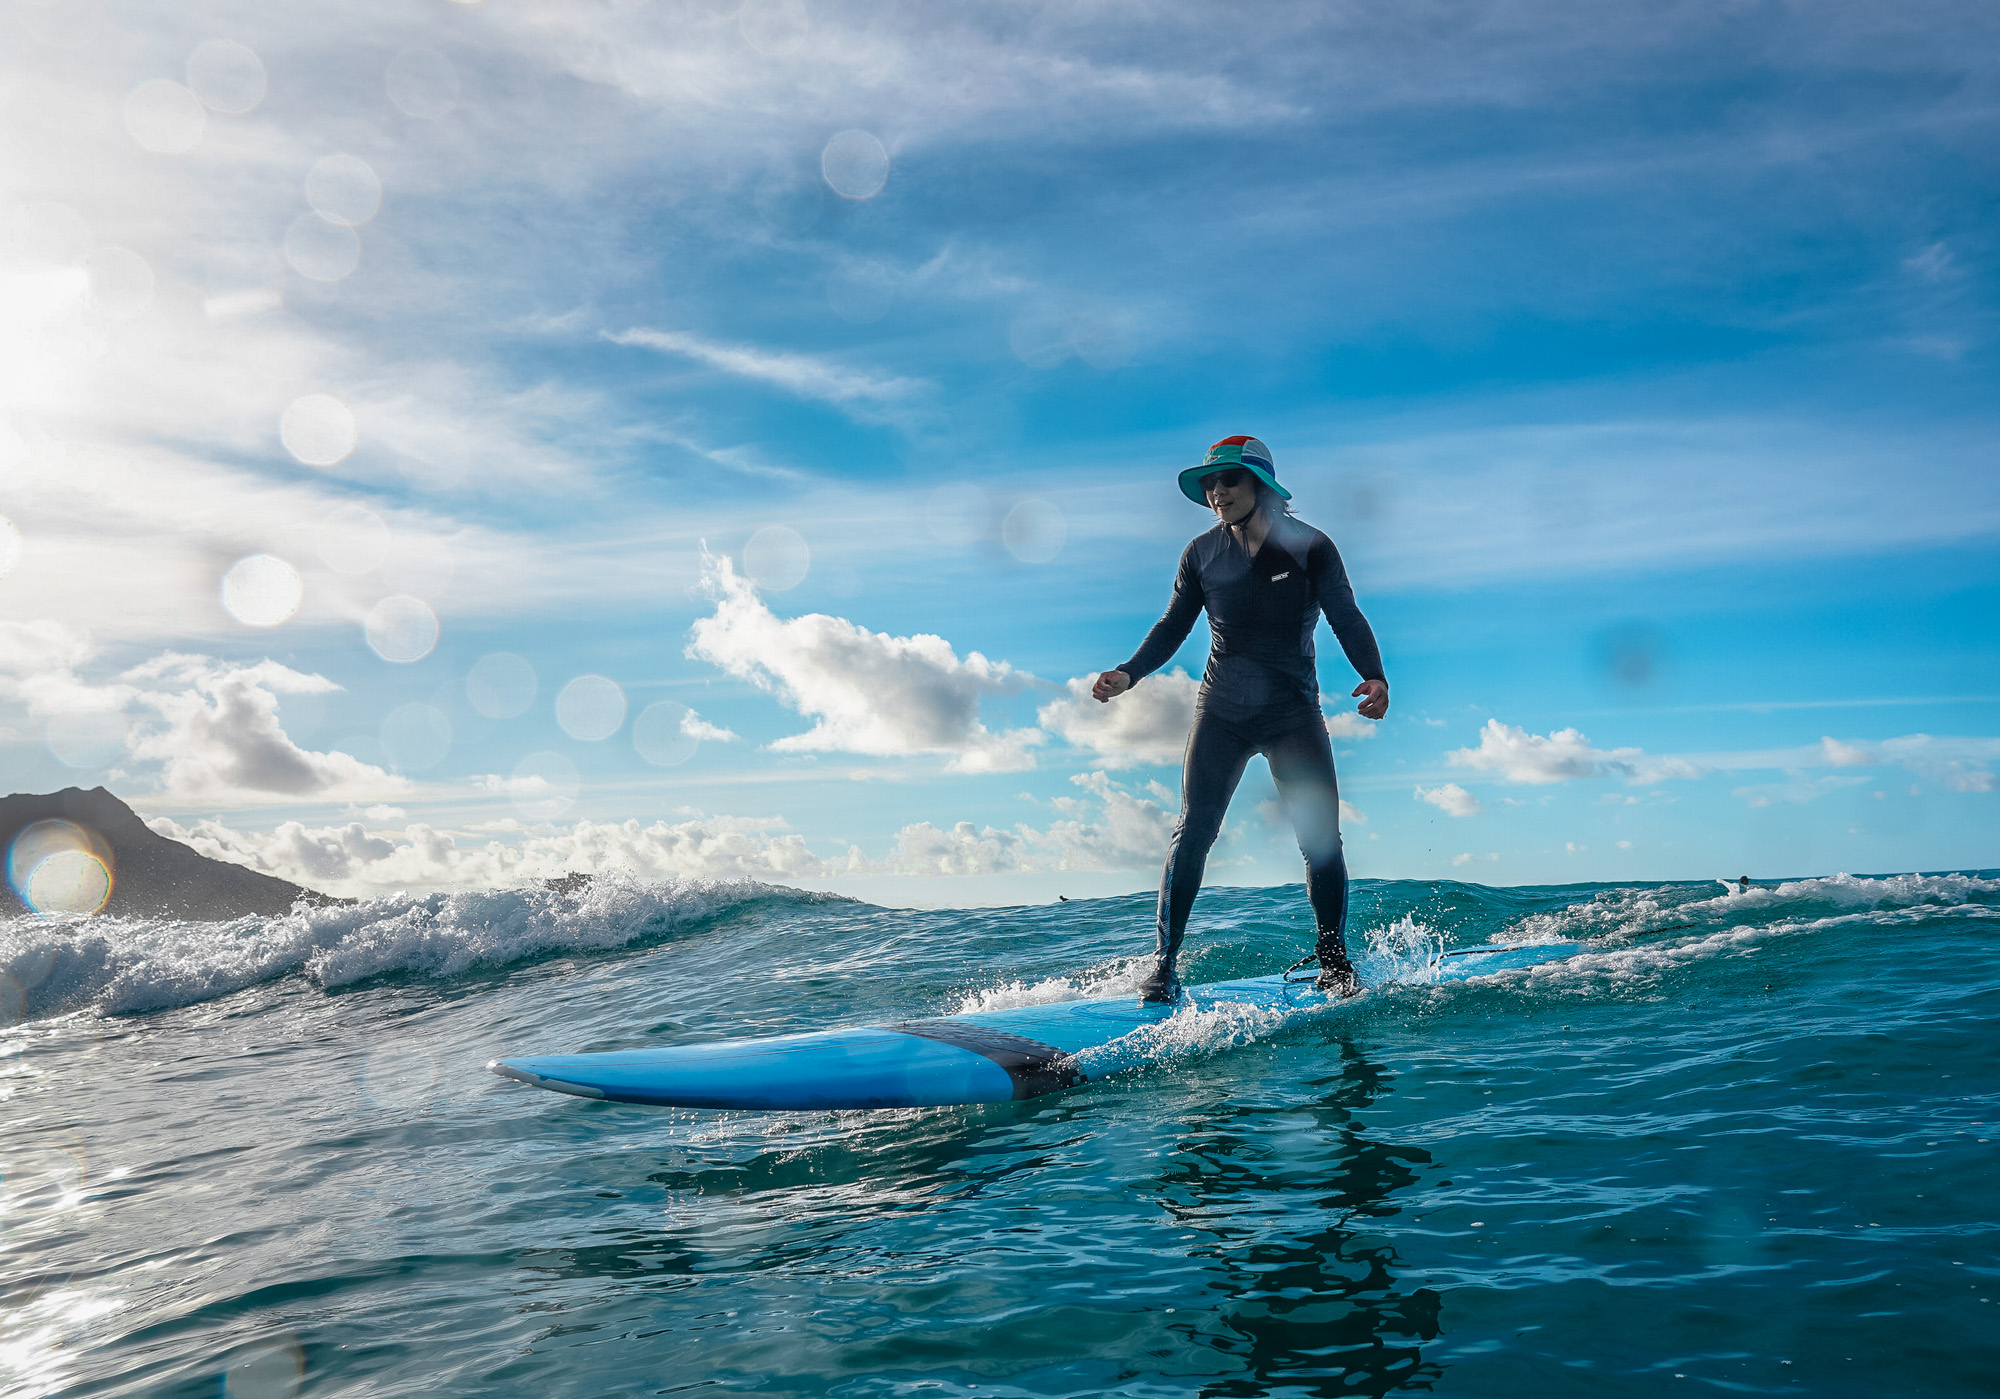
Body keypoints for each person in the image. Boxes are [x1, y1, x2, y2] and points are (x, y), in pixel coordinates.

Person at [1093, 435, 1388, 1002]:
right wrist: (1130, 673)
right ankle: (1164, 965)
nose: (1215, 492)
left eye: (1227, 480)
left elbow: (1346, 614)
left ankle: (1334, 961)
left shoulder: (1310, 547)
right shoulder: (1200, 553)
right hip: (1222, 711)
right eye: (1208, 483)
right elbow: (1173, 624)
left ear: (1261, 483)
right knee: (1193, 833)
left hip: (1291, 712)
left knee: (1320, 840)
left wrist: (1373, 675)